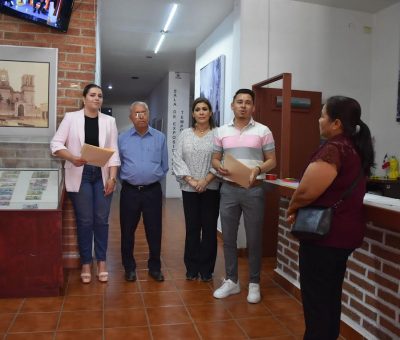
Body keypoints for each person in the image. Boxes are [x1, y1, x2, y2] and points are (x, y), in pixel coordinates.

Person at [286, 96, 374, 340]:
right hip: (344, 237)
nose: (319, 119)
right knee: (329, 299)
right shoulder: (354, 147)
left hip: (324, 238)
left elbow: (306, 191)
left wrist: (292, 207)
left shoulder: (335, 149)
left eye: (322, 115)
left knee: (317, 303)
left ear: (336, 123)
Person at [50, 84, 120, 283]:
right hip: (79, 174)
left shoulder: (109, 121)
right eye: (92, 95)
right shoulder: (71, 118)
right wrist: (72, 158)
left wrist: (113, 178)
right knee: (85, 221)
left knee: (102, 219)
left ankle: (102, 262)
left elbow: (113, 152)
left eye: (100, 96)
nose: (97, 98)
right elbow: (55, 144)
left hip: (102, 174)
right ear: (84, 98)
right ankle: (86, 263)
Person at [212, 88, 276, 303]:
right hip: (229, 189)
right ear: (232, 105)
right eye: (239, 102)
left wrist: (258, 170)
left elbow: (271, 160)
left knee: (254, 238)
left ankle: (254, 283)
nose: (243, 105)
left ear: (253, 107)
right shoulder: (221, 131)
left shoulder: (263, 130)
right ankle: (232, 281)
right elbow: (214, 158)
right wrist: (218, 167)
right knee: (228, 238)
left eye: (248, 102)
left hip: (254, 189)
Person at [118, 101, 169, 282]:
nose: (140, 116)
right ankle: (129, 268)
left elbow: (165, 166)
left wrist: (150, 178)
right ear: (131, 117)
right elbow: (117, 166)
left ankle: (154, 267)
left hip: (152, 192)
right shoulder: (122, 139)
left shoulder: (160, 137)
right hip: (129, 192)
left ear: (148, 114)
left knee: (154, 231)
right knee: (127, 231)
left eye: (143, 112)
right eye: (136, 113)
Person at [173, 97, 220, 282]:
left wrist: (206, 180)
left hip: (212, 187)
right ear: (193, 113)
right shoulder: (184, 134)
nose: (201, 112)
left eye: (205, 109)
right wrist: (192, 181)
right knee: (192, 228)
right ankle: (192, 268)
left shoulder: (218, 134)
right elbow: (177, 158)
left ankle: (207, 269)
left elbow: (222, 159)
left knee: (209, 229)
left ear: (210, 113)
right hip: (189, 188)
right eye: (198, 109)